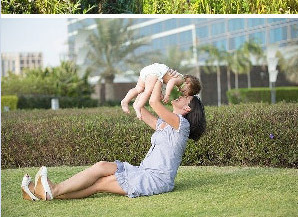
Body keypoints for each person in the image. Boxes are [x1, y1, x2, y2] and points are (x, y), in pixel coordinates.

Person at [21, 80, 207, 201]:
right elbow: (140, 109)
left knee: (100, 184)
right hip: (142, 171)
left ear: (187, 109)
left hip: (155, 179)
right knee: (102, 166)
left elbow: (153, 104)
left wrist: (158, 76)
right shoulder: (165, 124)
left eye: (185, 98)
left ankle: (51, 191)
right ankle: (42, 192)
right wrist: (141, 89)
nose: (181, 95)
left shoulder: (181, 125)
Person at [121, 65, 201, 119]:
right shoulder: (180, 79)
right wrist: (167, 95)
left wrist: (161, 92)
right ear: (188, 83)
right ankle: (138, 106)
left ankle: (125, 101)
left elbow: (164, 80)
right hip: (154, 72)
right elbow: (170, 82)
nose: (182, 92)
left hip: (149, 70)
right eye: (185, 91)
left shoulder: (179, 78)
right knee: (148, 91)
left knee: (138, 89)